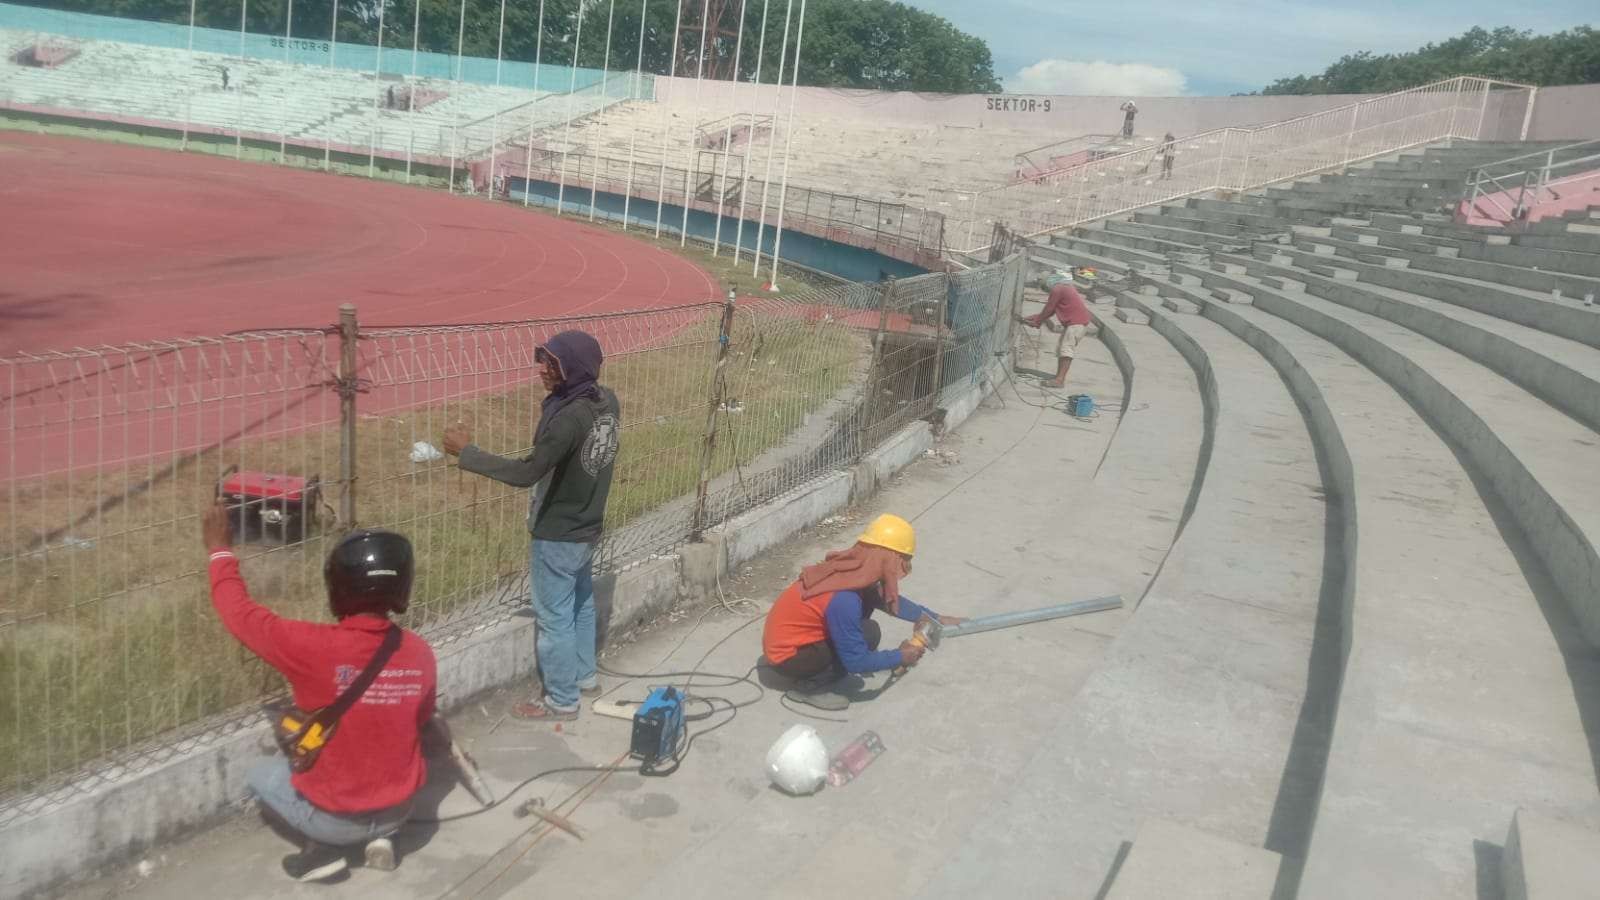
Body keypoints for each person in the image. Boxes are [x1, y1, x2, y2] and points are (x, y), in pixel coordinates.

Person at [201, 503, 437, 883]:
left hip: (335, 822)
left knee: (262, 775)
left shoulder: (314, 648)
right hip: (401, 809)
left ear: (338, 587)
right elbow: (420, 720)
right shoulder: (419, 652)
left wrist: (220, 550)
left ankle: (323, 849)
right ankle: (383, 837)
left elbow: (239, 613)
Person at [443, 330, 620, 722]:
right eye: (540, 358)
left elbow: (527, 472)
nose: (541, 368)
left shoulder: (568, 419)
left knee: (554, 616)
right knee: (581, 602)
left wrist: (468, 453)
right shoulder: (606, 402)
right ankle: (585, 676)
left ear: (572, 368)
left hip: (558, 533)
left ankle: (561, 699)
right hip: (589, 525)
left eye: (551, 363)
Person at [762, 514, 964, 710]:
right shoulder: (844, 599)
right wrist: (899, 657)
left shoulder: (850, 571)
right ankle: (808, 688)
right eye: (902, 561)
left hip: (790, 643)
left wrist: (931, 617)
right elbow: (856, 661)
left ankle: (819, 669)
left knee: (869, 631)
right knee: (866, 637)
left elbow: (885, 598)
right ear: (888, 558)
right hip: (788, 658)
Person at [1020, 270, 1092, 389]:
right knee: (1062, 349)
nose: (1045, 290)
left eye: (1043, 286)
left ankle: (1059, 380)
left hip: (1076, 324)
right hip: (1077, 323)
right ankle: (1059, 378)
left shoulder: (1057, 289)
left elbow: (1049, 309)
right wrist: (1035, 318)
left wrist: (1037, 322)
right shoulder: (1064, 287)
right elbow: (1050, 311)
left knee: (1066, 350)